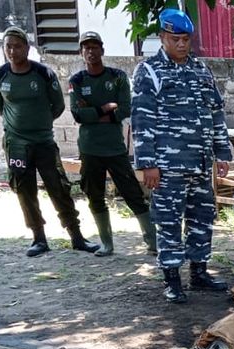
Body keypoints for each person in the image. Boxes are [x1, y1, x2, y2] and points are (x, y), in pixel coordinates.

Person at [131, 8, 232, 304]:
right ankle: (172, 279)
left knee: (202, 218)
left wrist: (222, 152)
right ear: (162, 37)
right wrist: (147, 164)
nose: (181, 44)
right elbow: (142, 120)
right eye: (175, 39)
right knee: (169, 222)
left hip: (200, 163)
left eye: (186, 39)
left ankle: (199, 272)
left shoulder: (200, 70)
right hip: (168, 166)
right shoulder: (149, 72)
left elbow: (215, 113)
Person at [0, 26, 99, 257]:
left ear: (27, 48)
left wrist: (39, 123)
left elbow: (57, 106)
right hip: (16, 145)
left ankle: (76, 236)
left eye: (17, 46)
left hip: (43, 141)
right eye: (8, 46)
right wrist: (17, 125)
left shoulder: (43, 74)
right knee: (24, 190)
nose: (12, 51)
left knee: (58, 187)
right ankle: (38, 238)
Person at [69, 31, 156, 257]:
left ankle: (152, 241)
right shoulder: (77, 80)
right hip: (89, 148)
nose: (91, 51)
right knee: (94, 196)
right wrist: (105, 108)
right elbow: (78, 114)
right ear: (81, 52)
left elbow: (125, 109)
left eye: (94, 47)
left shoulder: (117, 77)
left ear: (102, 50)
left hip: (115, 147)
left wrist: (94, 113)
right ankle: (107, 243)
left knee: (133, 194)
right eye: (86, 47)